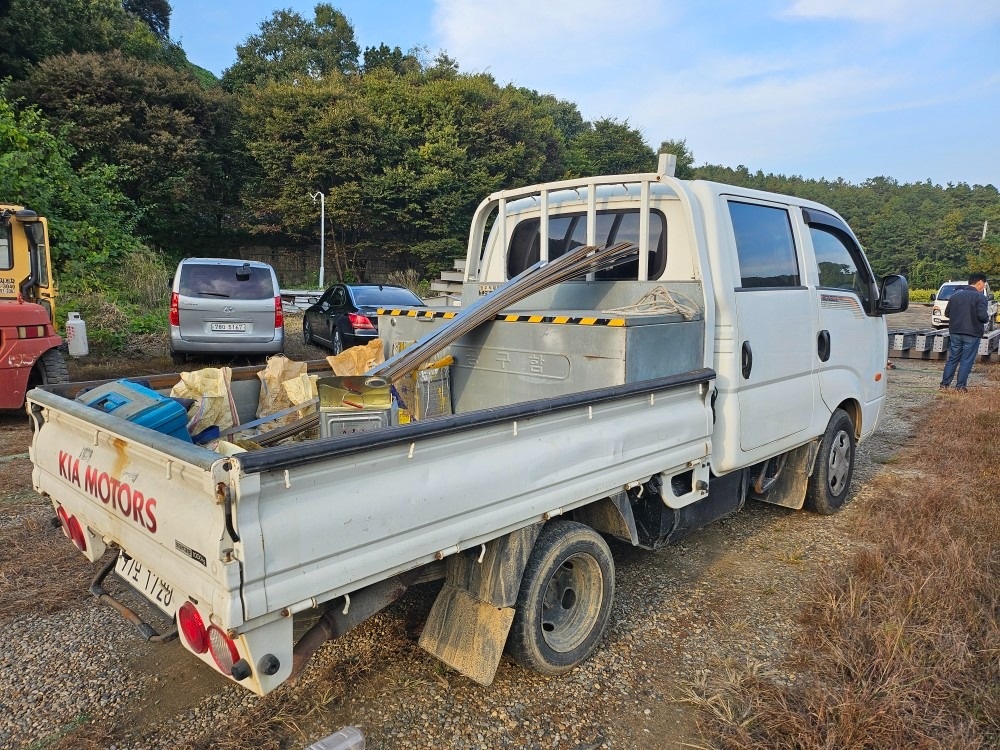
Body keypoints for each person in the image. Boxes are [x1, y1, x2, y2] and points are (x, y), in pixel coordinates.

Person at [939, 272, 990, 392]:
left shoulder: (955, 296)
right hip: (972, 333)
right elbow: (983, 317)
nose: (983, 287)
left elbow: (947, 313)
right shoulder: (980, 298)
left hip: (955, 332)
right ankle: (960, 387)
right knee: (966, 360)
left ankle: (944, 384)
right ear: (980, 283)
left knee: (953, 358)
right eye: (984, 284)